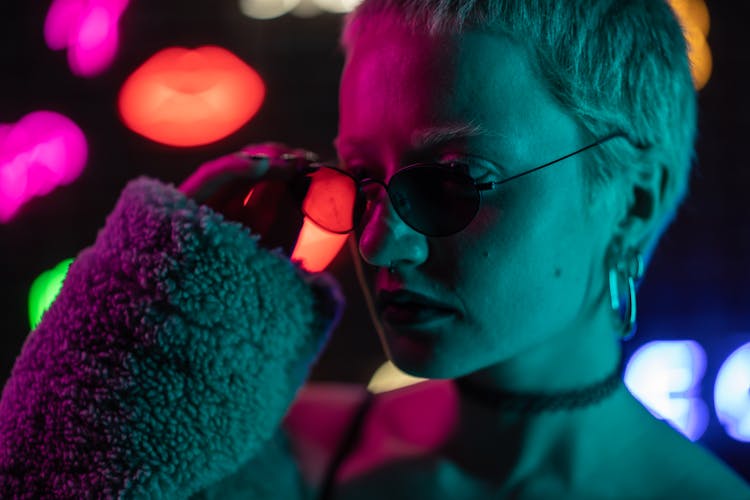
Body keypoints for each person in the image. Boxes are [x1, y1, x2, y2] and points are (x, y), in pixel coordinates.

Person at [1, 0, 749, 498]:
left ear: (632, 199)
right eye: (359, 179)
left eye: (455, 181)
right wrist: (176, 269)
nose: (378, 240)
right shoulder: (276, 454)